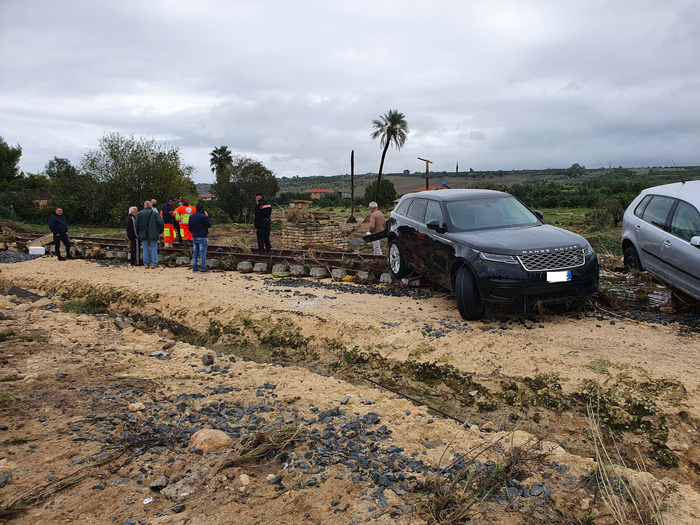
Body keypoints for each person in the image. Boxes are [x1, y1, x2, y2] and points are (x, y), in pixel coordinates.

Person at [134, 200, 164, 269]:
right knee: (153, 248)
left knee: (145, 248)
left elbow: (136, 224)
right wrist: (159, 231)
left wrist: (140, 230)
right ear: (151, 206)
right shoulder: (155, 213)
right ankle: (154, 263)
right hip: (153, 233)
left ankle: (146, 263)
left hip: (144, 233)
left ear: (144, 206)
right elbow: (161, 223)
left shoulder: (140, 213)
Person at [189, 203, 212, 272]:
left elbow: (189, 227)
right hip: (202, 236)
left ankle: (195, 267)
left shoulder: (191, 217)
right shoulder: (203, 217)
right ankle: (202, 267)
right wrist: (207, 217)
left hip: (195, 236)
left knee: (195, 251)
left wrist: (193, 232)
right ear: (202, 209)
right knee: (202, 252)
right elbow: (209, 225)